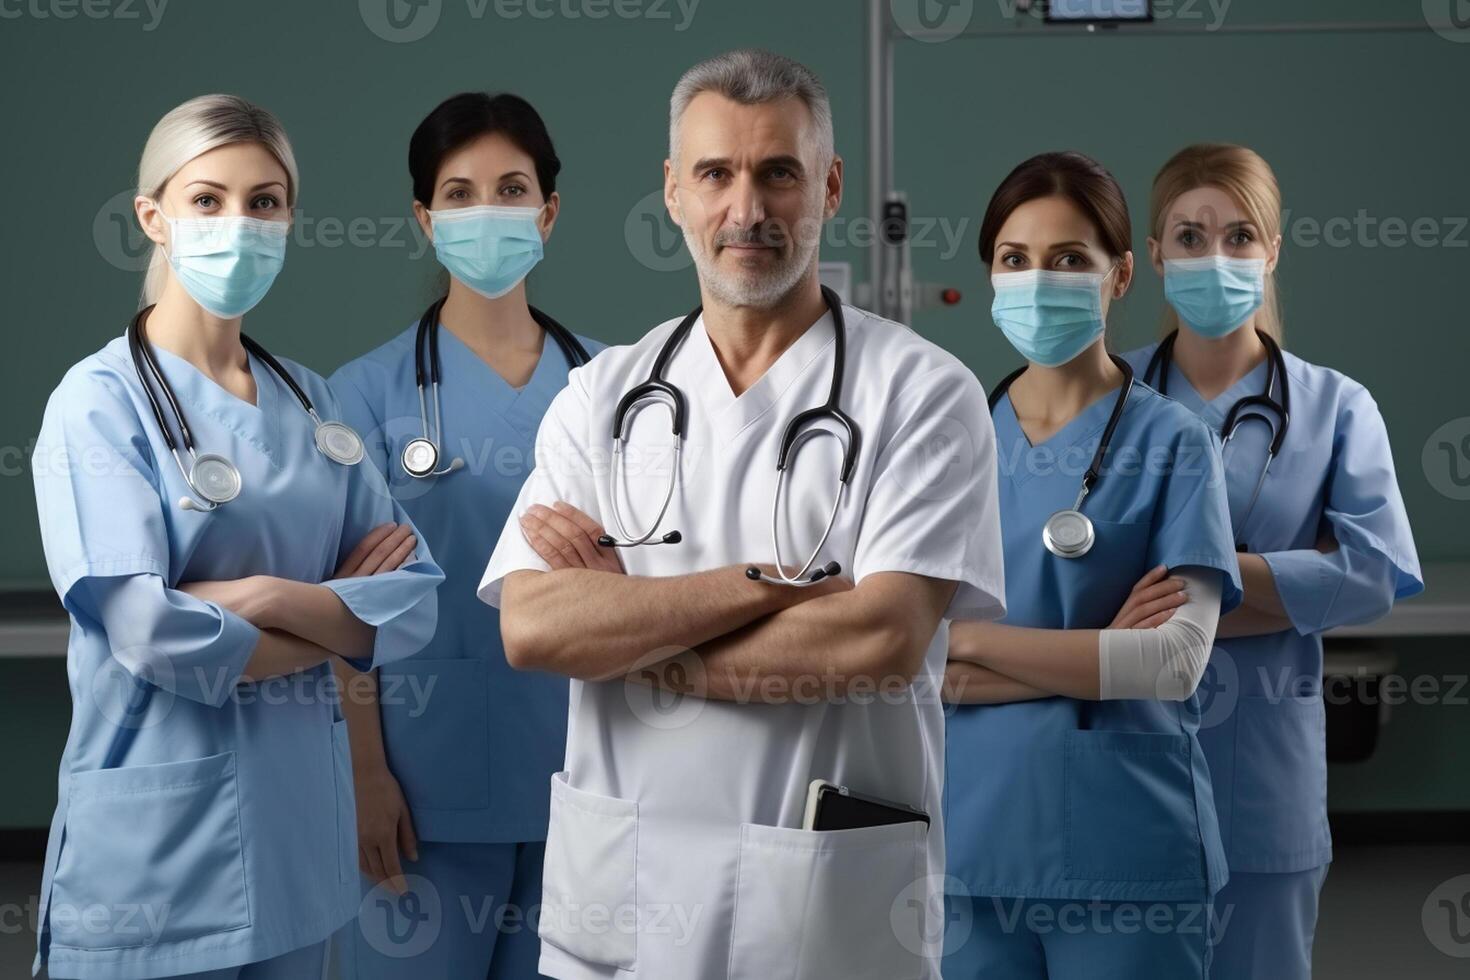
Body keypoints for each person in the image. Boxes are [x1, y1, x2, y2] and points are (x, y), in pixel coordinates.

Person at [478, 49, 1005, 979]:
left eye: (779, 174)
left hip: (825, 921)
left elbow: (874, 641)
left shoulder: (921, 393)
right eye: (716, 174)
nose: (747, 210)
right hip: (621, 915)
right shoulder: (600, 397)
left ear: (830, 186)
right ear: (673, 192)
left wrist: (632, 638)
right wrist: (760, 587)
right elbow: (533, 626)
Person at [29, 94, 443, 979]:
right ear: (153, 217)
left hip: (303, 852)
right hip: (155, 865)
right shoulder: (98, 404)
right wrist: (338, 611)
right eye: (207, 199)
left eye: (264, 202)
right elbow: (148, 634)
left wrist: (262, 600)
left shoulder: (311, 400)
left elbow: (414, 600)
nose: (239, 224)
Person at [1121, 143, 1423, 979]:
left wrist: (1193, 583)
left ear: (1272, 251)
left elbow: (1371, 573)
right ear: (1153, 256)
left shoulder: (1335, 407)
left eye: (1239, 235)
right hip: (1125, 759)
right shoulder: (1110, 401)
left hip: (1264, 780)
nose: (1213, 256)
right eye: (1189, 236)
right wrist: (1288, 578)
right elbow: (1080, 584)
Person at [942, 151, 1243, 979]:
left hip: (1130, 853)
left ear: (1118, 277)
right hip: (970, 847)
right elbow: (905, 667)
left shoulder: (1176, 443)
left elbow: (1174, 661)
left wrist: (967, 644)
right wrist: (1100, 653)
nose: (1040, 282)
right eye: (1017, 260)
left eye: (1070, 259)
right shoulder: (949, 442)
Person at [328, 91, 603, 978]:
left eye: (511, 188)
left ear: (549, 213)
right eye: (459, 192)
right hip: (420, 792)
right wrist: (364, 775)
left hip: (589, 780)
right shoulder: (363, 394)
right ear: (425, 218)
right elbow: (345, 603)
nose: (487, 211)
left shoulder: (619, 385)